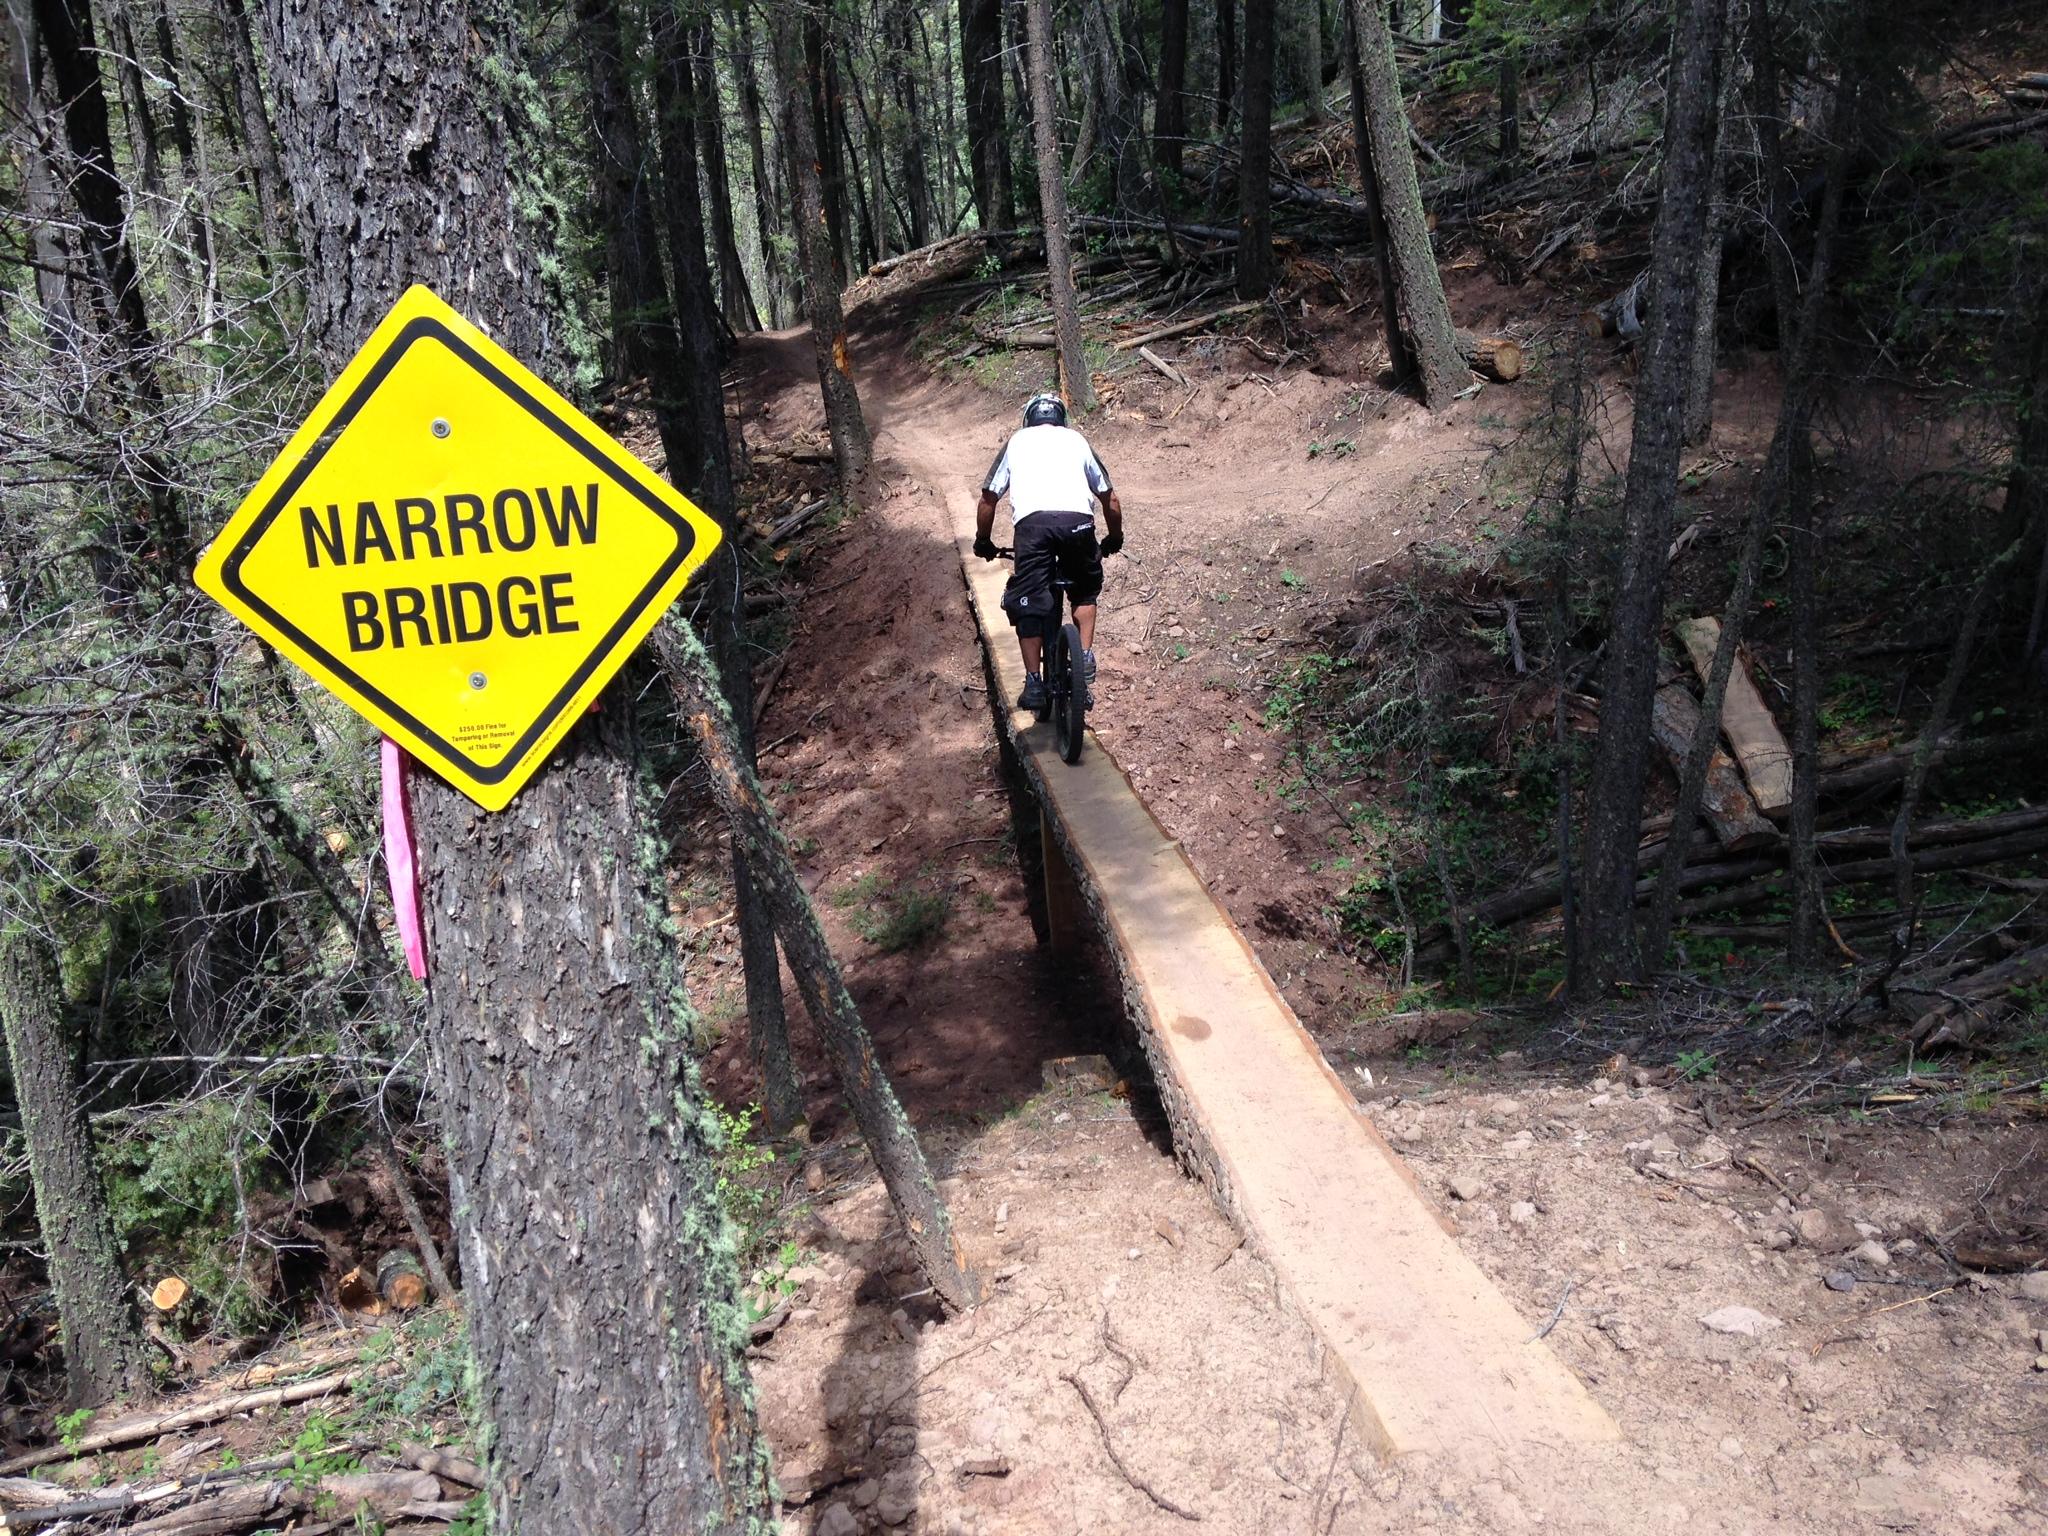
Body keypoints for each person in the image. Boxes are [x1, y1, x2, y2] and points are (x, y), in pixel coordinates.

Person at [973, 392, 1124, 711]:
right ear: (1061, 419)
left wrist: (982, 540)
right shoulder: (1077, 440)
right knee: (1084, 591)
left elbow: (989, 498)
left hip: (1034, 528)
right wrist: (1114, 536)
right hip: (1078, 525)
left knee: (1027, 599)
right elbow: (1109, 497)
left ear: (1028, 420)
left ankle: (1033, 684)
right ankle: (1082, 657)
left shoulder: (1017, 442)